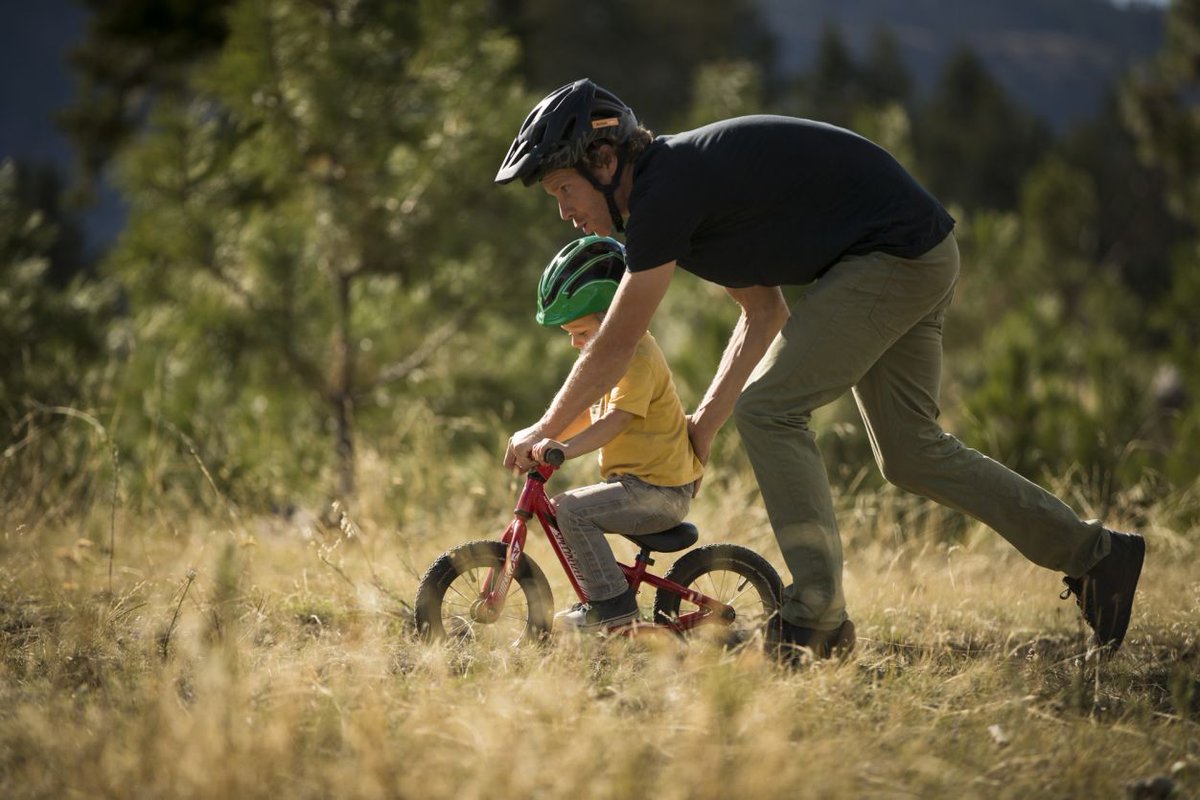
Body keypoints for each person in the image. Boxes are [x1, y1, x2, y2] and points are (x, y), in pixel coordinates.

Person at [496, 77, 1145, 660]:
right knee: (909, 453)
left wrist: (545, 429)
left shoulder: (667, 188)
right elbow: (763, 310)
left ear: (604, 161)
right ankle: (1098, 557)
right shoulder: (675, 197)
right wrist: (703, 426)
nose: (564, 210)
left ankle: (815, 619)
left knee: (772, 409)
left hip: (893, 256)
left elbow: (616, 342)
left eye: (563, 189)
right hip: (917, 251)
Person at [529, 234, 704, 632]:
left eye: (582, 333)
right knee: (566, 509)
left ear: (613, 320)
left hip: (660, 493)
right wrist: (541, 436)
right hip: (640, 486)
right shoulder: (612, 361)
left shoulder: (638, 357)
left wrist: (563, 450)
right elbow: (587, 415)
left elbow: (615, 421)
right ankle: (606, 600)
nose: (576, 344)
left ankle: (612, 605)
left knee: (571, 509)